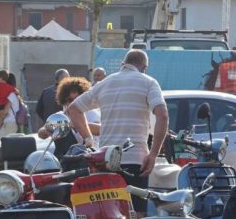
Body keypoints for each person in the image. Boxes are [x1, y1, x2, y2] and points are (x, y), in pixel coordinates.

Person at [66, 48, 168, 179]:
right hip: (135, 159)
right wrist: (153, 155)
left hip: (105, 159)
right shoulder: (149, 82)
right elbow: (163, 115)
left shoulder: (103, 84)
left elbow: (73, 109)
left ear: (122, 64)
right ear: (144, 67)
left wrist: (88, 138)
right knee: (135, 193)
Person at [0, 70, 23, 136]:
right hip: (11, 124)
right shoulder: (14, 95)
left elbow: (4, 112)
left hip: (9, 124)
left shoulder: (11, 95)